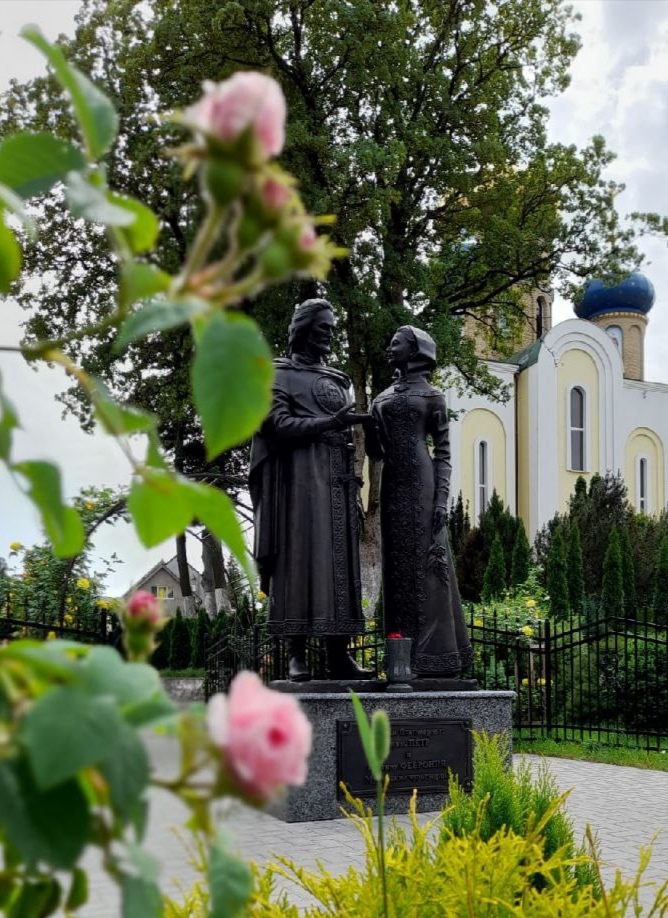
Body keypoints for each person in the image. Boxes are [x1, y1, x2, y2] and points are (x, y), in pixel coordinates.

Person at [249, 298, 371, 681]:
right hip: (298, 482)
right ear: (303, 330)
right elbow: (276, 424)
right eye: (323, 329)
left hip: (338, 480)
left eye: (332, 329)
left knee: (339, 562)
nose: (329, 336)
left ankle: (339, 653)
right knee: (299, 558)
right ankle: (296, 652)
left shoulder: (338, 378)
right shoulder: (278, 374)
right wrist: (329, 423)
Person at [367, 325, 473, 677]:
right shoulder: (380, 398)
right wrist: (368, 427)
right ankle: (402, 657)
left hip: (424, 487)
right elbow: (376, 452)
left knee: (429, 567)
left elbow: (443, 453)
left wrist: (441, 499)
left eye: (395, 343)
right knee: (397, 568)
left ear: (414, 351)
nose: (389, 347)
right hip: (392, 487)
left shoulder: (433, 396)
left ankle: (437, 657)